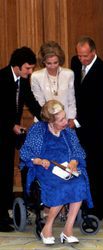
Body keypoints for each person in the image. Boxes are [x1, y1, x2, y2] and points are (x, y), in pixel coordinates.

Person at [20, 100, 93, 245]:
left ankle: (68, 230)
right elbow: (25, 152)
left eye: (65, 117)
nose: (66, 122)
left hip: (65, 168)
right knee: (61, 187)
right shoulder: (38, 130)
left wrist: (74, 161)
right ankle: (47, 228)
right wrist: (39, 160)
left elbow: (78, 151)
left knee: (79, 183)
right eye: (61, 120)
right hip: (46, 169)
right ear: (51, 121)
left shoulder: (68, 132)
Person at [71, 36, 103, 220]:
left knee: (98, 168)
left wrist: (77, 120)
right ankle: (84, 205)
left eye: (86, 56)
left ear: (94, 52)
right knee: (82, 166)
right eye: (79, 56)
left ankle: (99, 208)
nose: (82, 59)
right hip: (80, 128)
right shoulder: (75, 63)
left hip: (99, 127)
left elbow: (97, 105)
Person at [0, 47, 41, 232]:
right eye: (28, 68)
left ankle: (3, 214)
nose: (30, 72)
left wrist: (48, 117)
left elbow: (31, 102)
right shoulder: (1, 78)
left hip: (11, 137)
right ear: (16, 67)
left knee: (7, 175)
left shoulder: (23, 81)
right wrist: (12, 125)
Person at [31, 41, 76, 128]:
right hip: (44, 121)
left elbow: (71, 100)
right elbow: (39, 102)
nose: (53, 66)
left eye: (56, 62)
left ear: (60, 60)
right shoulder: (36, 76)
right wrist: (51, 121)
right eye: (49, 63)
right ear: (43, 61)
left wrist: (71, 118)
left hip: (65, 121)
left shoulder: (69, 74)